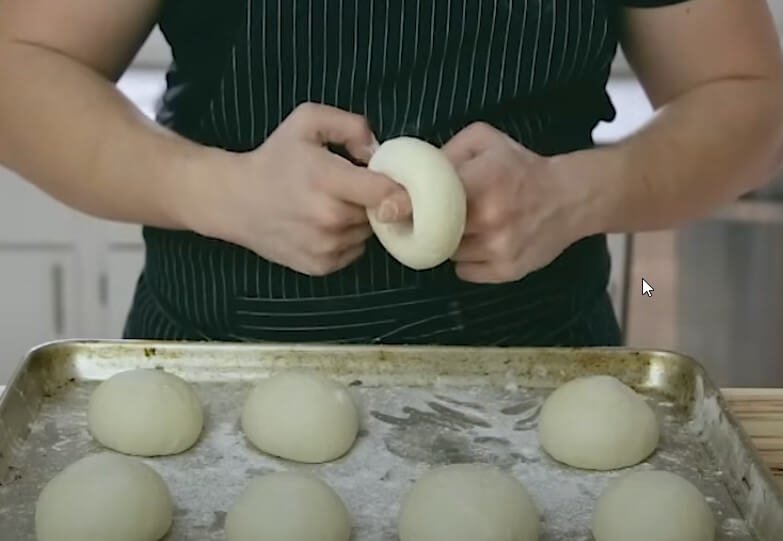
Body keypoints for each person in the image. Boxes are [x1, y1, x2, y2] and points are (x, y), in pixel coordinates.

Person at [1, 1, 782, 347]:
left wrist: (580, 194)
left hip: (538, 370)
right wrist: (217, 190)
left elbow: (752, 103)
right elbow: (19, 69)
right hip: (224, 355)